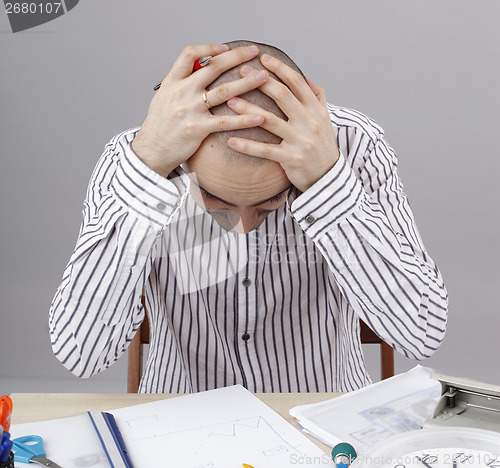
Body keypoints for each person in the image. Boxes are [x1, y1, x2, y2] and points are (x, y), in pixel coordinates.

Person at [49, 40, 448, 393]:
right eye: (213, 199)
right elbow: (81, 355)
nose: (240, 228)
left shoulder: (352, 146)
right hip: (181, 419)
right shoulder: (143, 156)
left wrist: (328, 180)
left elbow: (421, 334)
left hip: (322, 419)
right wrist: (147, 168)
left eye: (269, 203)